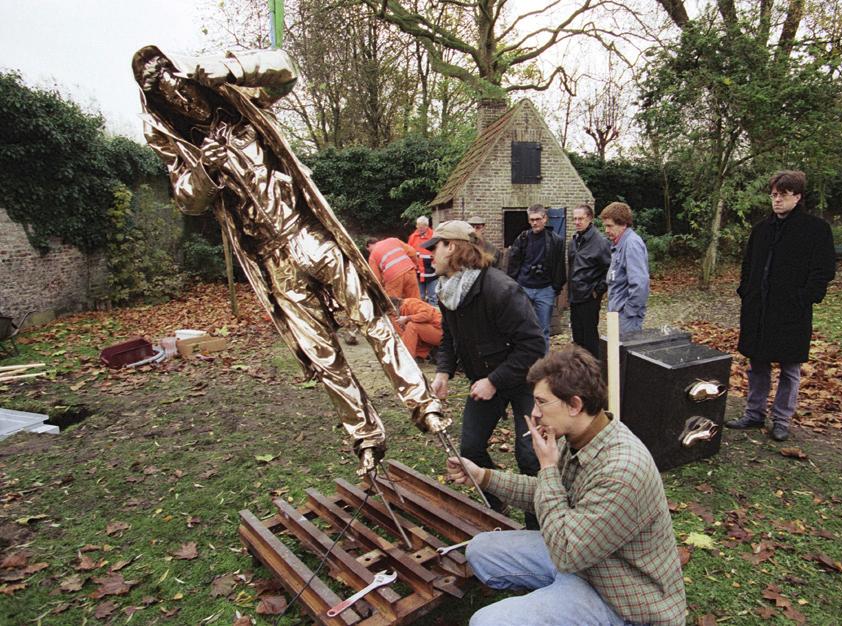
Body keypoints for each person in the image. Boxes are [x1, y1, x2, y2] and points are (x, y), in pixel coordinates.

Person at [131, 46, 449, 476]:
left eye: (182, 87)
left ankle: (423, 405)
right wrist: (205, 170)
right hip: (273, 260)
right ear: (165, 110)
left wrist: (231, 68)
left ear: (192, 80)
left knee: (373, 320)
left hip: (309, 234)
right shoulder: (189, 154)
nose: (183, 99)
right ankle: (365, 435)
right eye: (170, 99)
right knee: (323, 357)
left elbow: (284, 70)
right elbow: (186, 199)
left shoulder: (246, 109)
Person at [447, 346, 686, 626]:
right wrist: (483, 476)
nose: (534, 413)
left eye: (541, 402)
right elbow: (549, 494)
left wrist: (548, 466)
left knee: (486, 623)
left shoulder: (621, 470)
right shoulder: (580, 435)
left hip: (622, 597)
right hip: (587, 561)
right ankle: (555, 598)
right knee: (481, 549)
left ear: (574, 405)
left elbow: (566, 552)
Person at [426, 221, 544, 529]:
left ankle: (538, 527)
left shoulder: (501, 289)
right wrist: (443, 371)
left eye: (434, 248)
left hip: (524, 382)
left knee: (530, 455)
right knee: (470, 450)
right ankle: (498, 500)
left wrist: (494, 381)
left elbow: (534, 346)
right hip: (484, 381)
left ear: (452, 247)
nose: (430, 256)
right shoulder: (447, 292)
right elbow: (450, 336)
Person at [727, 170, 836, 442]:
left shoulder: (816, 229)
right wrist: (746, 291)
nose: (776, 200)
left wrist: (805, 297)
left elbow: (824, 270)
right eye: (774, 195)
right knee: (758, 363)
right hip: (759, 309)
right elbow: (748, 265)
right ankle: (754, 413)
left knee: (790, 368)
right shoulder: (762, 229)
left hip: (791, 311)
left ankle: (782, 420)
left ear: (797, 197)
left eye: (783, 195)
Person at [506, 204, 566, 351]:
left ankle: (542, 363)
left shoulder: (556, 240)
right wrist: (514, 286)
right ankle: (522, 359)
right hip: (524, 287)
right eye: (531, 220)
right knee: (521, 326)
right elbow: (513, 263)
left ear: (545, 219)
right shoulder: (523, 238)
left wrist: (555, 288)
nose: (534, 223)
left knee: (543, 330)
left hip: (545, 290)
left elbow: (560, 266)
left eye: (538, 219)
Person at [567, 204, 611, 359]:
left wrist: (597, 291)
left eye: (581, 218)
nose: (577, 222)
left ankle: (594, 372)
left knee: (590, 339)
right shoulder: (574, 241)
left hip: (589, 298)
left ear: (590, 219)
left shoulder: (600, 242)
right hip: (574, 297)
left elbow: (609, 269)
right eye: (575, 219)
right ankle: (580, 372)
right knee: (577, 338)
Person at [600, 202, 649, 337]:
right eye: (605, 226)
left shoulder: (631, 244)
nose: (606, 231)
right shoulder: (619, 244)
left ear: (623, 224)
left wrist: (628, 313)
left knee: (624, 355)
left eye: (610, 226)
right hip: (618, 315)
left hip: (626, 318)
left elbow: (640, 284)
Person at [407, 217, 438, 306]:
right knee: (419, 296)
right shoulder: (413, 237)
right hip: (418, 271)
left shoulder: (433, 236)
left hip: (431, 271)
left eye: (422, 226)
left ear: (427, 226)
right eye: (418, 226)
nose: (419, 228)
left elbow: (438, 251)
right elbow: (408, 252)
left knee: (433, 296)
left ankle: (435, 315)